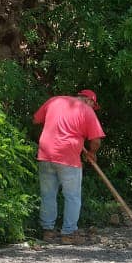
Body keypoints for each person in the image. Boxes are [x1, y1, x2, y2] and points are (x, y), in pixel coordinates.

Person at [33, 89, 105, 243]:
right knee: (72, 196)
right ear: (88, 100)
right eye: (93, 104)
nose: (93, 108)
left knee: (48, 195)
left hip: (46, 154)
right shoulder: (86, 110)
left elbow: (36, 120)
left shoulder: (54, 100)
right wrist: (92, 153)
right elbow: (96, 141)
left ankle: (48, 232)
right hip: (68, 158)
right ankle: (68, 233)